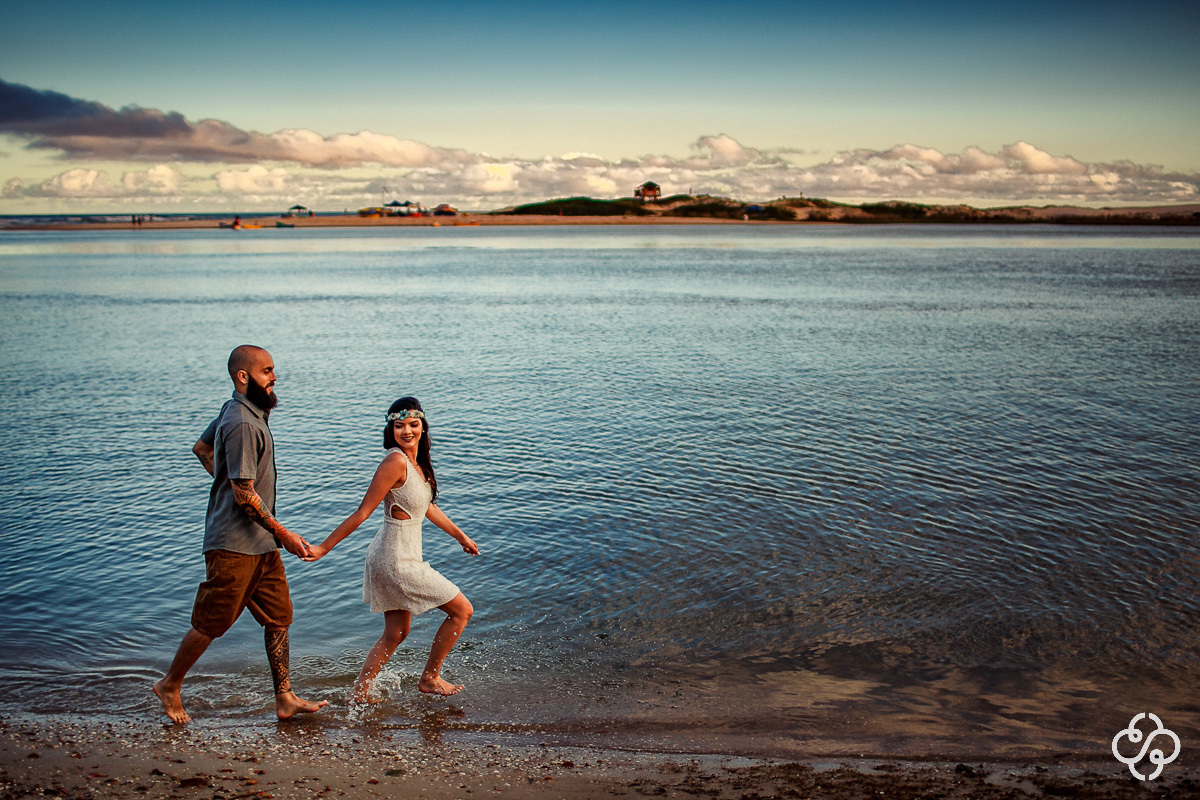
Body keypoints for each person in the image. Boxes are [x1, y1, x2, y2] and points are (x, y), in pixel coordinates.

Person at [153, 345, 328, 725]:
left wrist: (225, 481)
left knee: (279, 617)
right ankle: (169, 684)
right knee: (211, 622)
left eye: (273, 370)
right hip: (234, 545)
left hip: (260, 544)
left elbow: (201, 449)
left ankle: (284, 698)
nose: (274, 377)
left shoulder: (241, 412)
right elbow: (245, 493)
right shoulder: (243, 423)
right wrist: (283, 532)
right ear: (243, 377)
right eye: (267, 371)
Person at [302, 397, 478, 699]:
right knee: (462, 611)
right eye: (399, 426)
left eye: (412, 424)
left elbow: (427, 508)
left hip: (399, 555)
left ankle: (360, 690)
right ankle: (430, 678)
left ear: (422, 427)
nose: (406, 431)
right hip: (395, 559)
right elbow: (362, 512)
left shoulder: (416, 463)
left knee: (396, 633)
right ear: (391, 429)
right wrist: (323, 548)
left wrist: (460, 536)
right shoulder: (395, 462)